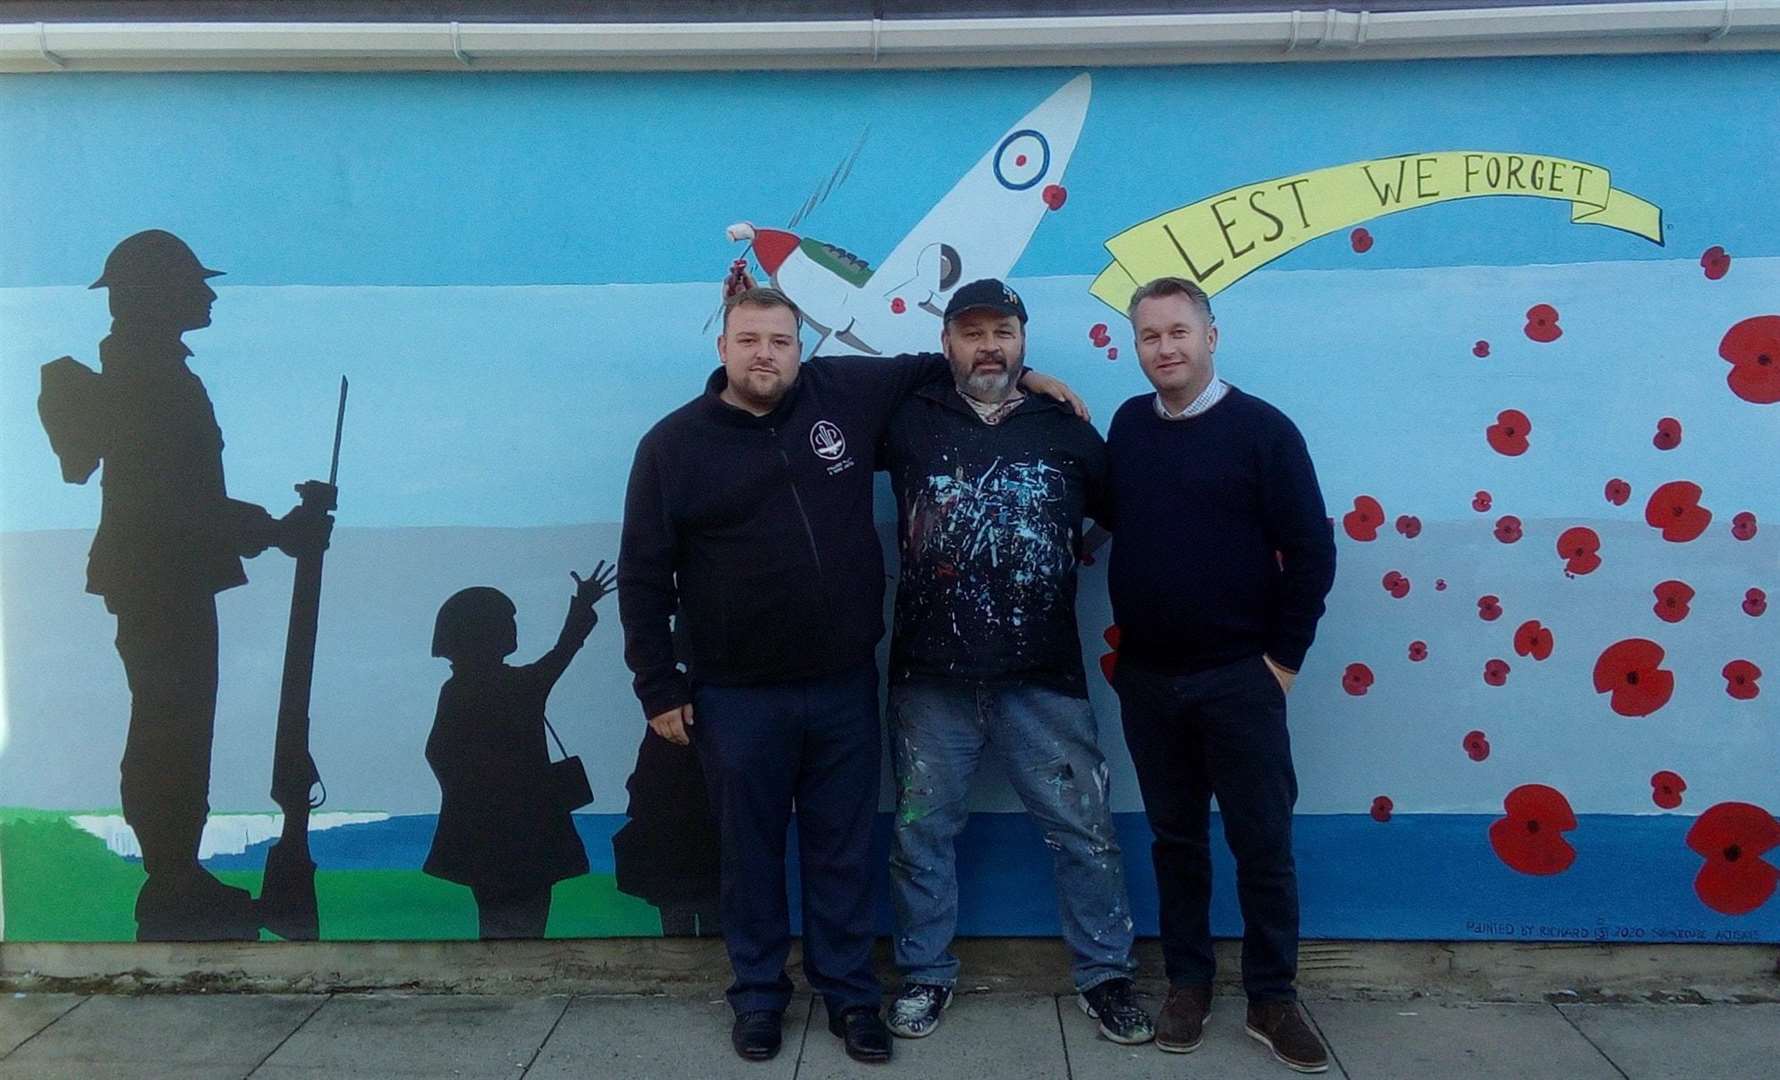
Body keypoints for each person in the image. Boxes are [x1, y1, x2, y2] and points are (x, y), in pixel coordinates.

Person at [617, 279, 1083, 1064]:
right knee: (750, 853)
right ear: (722, 346)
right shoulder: (674, 445)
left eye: (781, 342)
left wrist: (1025, 377)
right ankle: (760, 998)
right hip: (734, 694)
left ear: (803, 349)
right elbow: (642, 576)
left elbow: (954, 363)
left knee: (843, 850)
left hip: (840, 685)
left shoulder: (844, 393)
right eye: (749, 341)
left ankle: (849, 996)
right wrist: (658, 686)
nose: (765, 355)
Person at [38, 229, 332, 942]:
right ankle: (172, 877)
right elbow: (175, 499)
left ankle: (176, 873)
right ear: (156, 293)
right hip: (161, 576)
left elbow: (180, 496)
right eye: (192, 283)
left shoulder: (151, 370)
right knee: (172, 727)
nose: (208, 294)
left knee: (173, 724)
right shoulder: (151, 376)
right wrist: (274, 529)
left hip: (163, 576)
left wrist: (272, 527)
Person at [878, 279, 1151, 1046]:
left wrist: (1074, 551)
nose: (989, 346)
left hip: (1045, 674)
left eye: (1003, 331)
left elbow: (1116, 512)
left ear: (1024, 339)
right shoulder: (907, 420)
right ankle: (925, 975)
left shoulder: (1065, 429)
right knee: (921, 834)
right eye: (971, 333)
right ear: (947, 345)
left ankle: (1106, 978)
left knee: (1085, 831)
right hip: (929, 680)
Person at [1105, 277, 1337, 1073]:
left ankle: (1272, 998)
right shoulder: (1130, 426)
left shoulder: (1263, 432)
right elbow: (1104, 514)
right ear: (1135, 346)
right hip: (1148, 680)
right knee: (1176, 842)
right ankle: (1188, 987)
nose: (1164, 348)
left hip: (1240, 678)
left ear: (1211, 335)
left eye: (1178, 332)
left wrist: (1283, 661)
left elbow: (1312, 551)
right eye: (1149, 336)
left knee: (1262, 845)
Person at [422, 563, 615, 939]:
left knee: (496, 923)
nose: (513, 628)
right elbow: (563, 651)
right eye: (505, 622)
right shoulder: (519, 685)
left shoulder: (457, 690)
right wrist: (582, 606)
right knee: (528, 922)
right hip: (531, 831)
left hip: (484, 833)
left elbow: (438, 753)